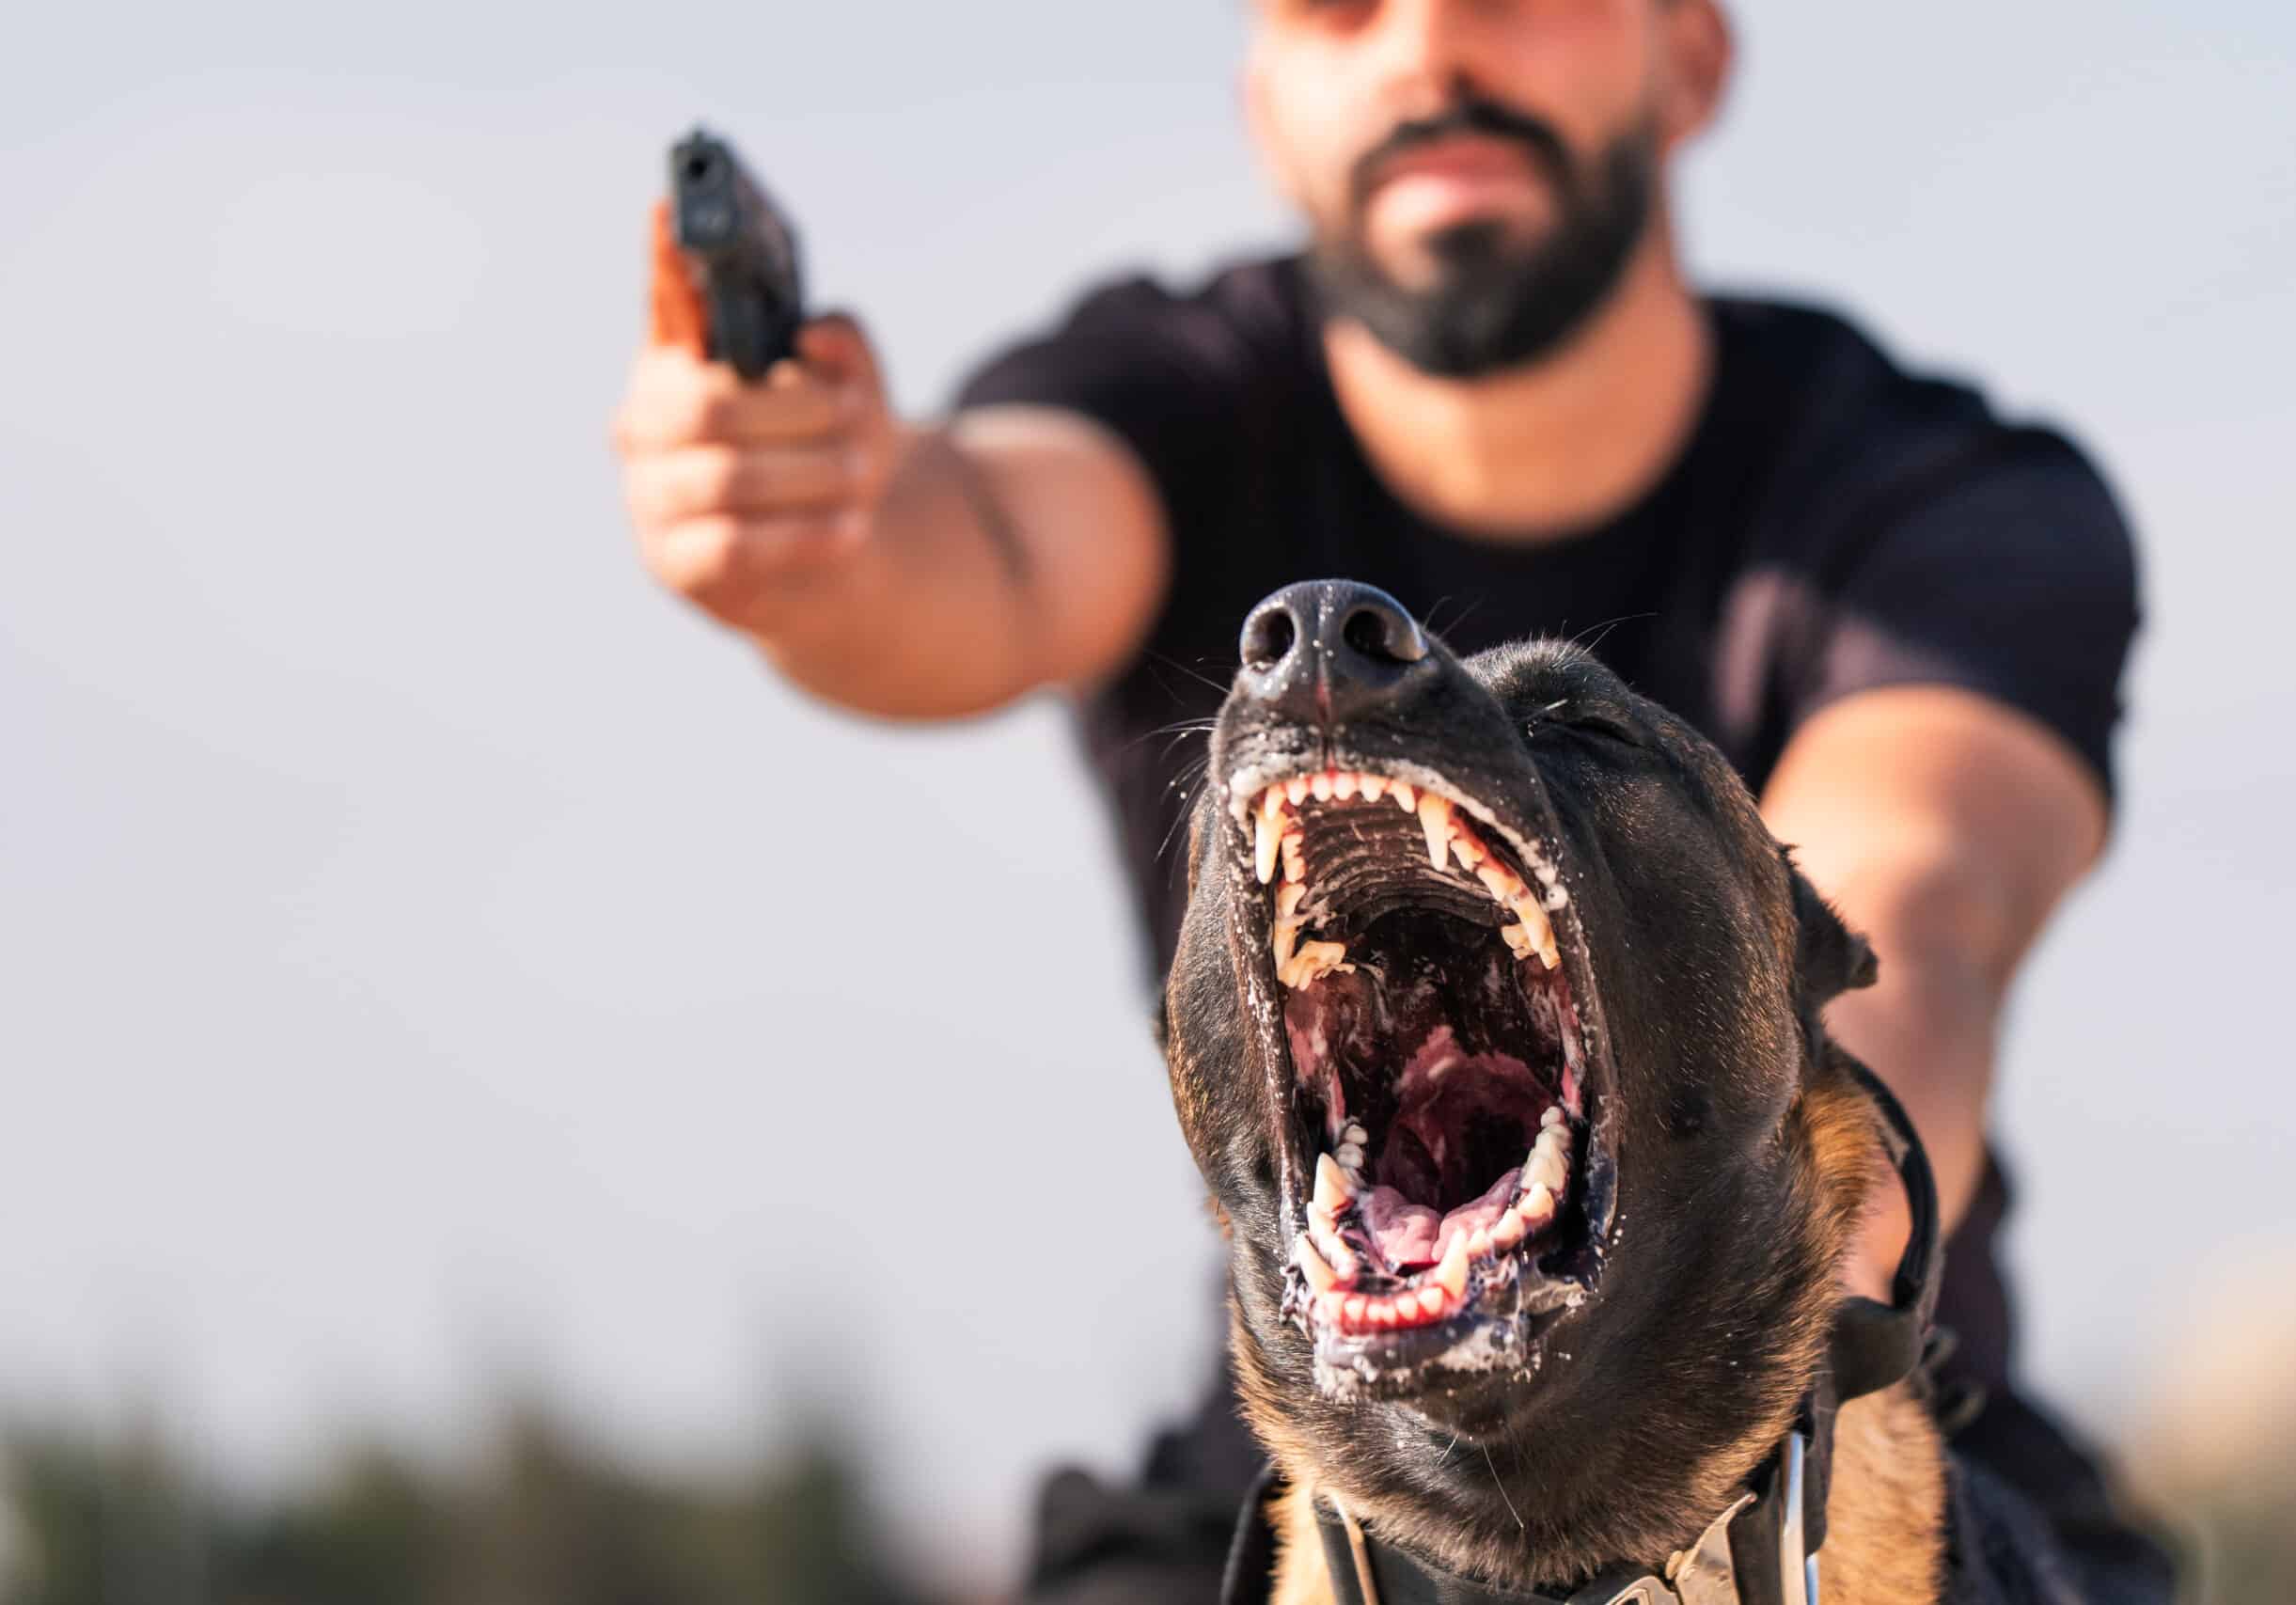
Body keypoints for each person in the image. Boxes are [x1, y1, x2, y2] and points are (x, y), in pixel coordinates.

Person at [613, 3, 2172, 1598]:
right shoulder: (1168, 408)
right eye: (1339, 7)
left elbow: (1908, 894)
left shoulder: (1934, 493)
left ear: (1691, 60)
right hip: (1296, 1490)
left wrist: (1838, 1252)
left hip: (1867, 1412)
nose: (1430, 49)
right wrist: (811, 528)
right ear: (1267, 107)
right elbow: (980, 550)